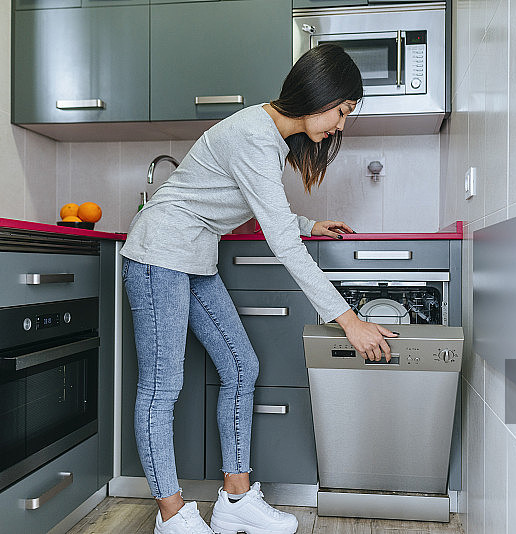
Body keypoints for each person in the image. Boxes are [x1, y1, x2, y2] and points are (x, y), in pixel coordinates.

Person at [120, 44, 398, 534]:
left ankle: (235, 499)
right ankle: (172, 516)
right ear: (319, 95)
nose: (340, 125)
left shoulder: (269, 139)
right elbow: (282, 242)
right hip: (159, 253)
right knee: (162, 389)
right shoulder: (254, 134)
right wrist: (348, 321)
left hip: (194, 256)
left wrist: (308, 224)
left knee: (241, 366)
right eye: (341, 111)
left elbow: (262, 208)